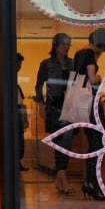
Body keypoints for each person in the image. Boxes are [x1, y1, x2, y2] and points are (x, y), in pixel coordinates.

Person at [73, 27, 105, 200]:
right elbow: (92, 78)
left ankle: (89, 183)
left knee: (94, 145)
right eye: (104, 48)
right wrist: (102, 76)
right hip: (91, 105)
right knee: (99, 145)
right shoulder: (90, 54)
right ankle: (94, 185)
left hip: (82, 103)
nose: (104, 52)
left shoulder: (80, 53)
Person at [35, 32, 74, 195]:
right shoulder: (46, 64)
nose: (66, 47)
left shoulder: (72, 63)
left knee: (67, 142)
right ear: (55, 45)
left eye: (68, 45)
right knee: (60, 141)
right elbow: (38, 86)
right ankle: (62, 177)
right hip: (54, 107)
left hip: (70, 106)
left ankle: (60, 176)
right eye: (63, 44)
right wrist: (41, 105)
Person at [15, 52, 29, 171]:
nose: (19, 67)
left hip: (18, 111)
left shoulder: (13, 80)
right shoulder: (9, 80)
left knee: (19, 136)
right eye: (18, 64)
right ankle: (16, 161)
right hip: (16, 111)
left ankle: (17, 160)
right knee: (18, 137)